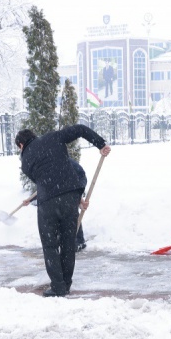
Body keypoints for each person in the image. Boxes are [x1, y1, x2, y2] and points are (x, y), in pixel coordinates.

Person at [16, 125, 110, 297]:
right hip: (71, 195)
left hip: (48, 202)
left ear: (21, 145)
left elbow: (43, 180)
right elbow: (80, 129)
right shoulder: (53, 137)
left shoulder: (25, 162)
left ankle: (58, 287)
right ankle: (66, 284)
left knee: (50, 245)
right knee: (68, 242)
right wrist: (100, 144)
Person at [23, 158, 90, 251]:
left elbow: (81, 177)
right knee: (59, 211)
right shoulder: (48, 166)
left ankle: (79, 242)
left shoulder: (67, 164)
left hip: (76, 183)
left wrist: (77, 193)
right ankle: (64, 241)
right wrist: (30, 200)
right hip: (62, 188)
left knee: (71, 212)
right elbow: (44, 186)